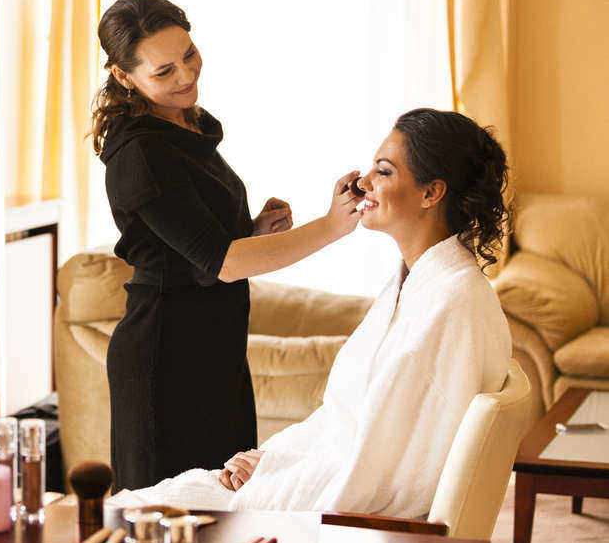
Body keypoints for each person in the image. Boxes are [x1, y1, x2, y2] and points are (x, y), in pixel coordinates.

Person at [110, 108, 512, 519]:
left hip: (346, 520)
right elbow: (347, 422)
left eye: (384, 172)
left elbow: (392, 471)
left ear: (432, 193)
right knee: (134, 508)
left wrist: (276, 479)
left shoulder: (451, 304)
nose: (363, 182)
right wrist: (271, 460)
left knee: (134, 516)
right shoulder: (418, 285)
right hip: (316, 479)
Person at [92, 0, 363, 491]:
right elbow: (222, 262)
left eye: (189, 55)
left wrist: (252, 232)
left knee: (227, 512)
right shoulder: (141, 154)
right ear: (124, 77)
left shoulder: (182, 123)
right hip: (164, 358)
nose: (186, 77)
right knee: (167, 527)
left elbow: (196, 247)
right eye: (164, 71)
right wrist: (329, 226)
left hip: (216, 349)